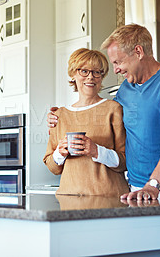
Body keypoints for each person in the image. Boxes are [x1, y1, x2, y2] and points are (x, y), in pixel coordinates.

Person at [47, 24, 160, 200]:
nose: (116, 69)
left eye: (118, 62)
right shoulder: (126, 89)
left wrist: (153, 185)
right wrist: (59, 117)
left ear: (138, 52)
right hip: (135, 185)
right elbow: (100, 114)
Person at [43, 48, 129, 197]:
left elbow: (125, 161)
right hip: (69, 198)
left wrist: (96, 150)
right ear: (73, 74)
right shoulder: (59, 115)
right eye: (84, 71)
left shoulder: (113, 109)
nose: (91, 77)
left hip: (108, 197)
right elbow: (52, 167)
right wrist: (60, 153)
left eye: (97, 72)